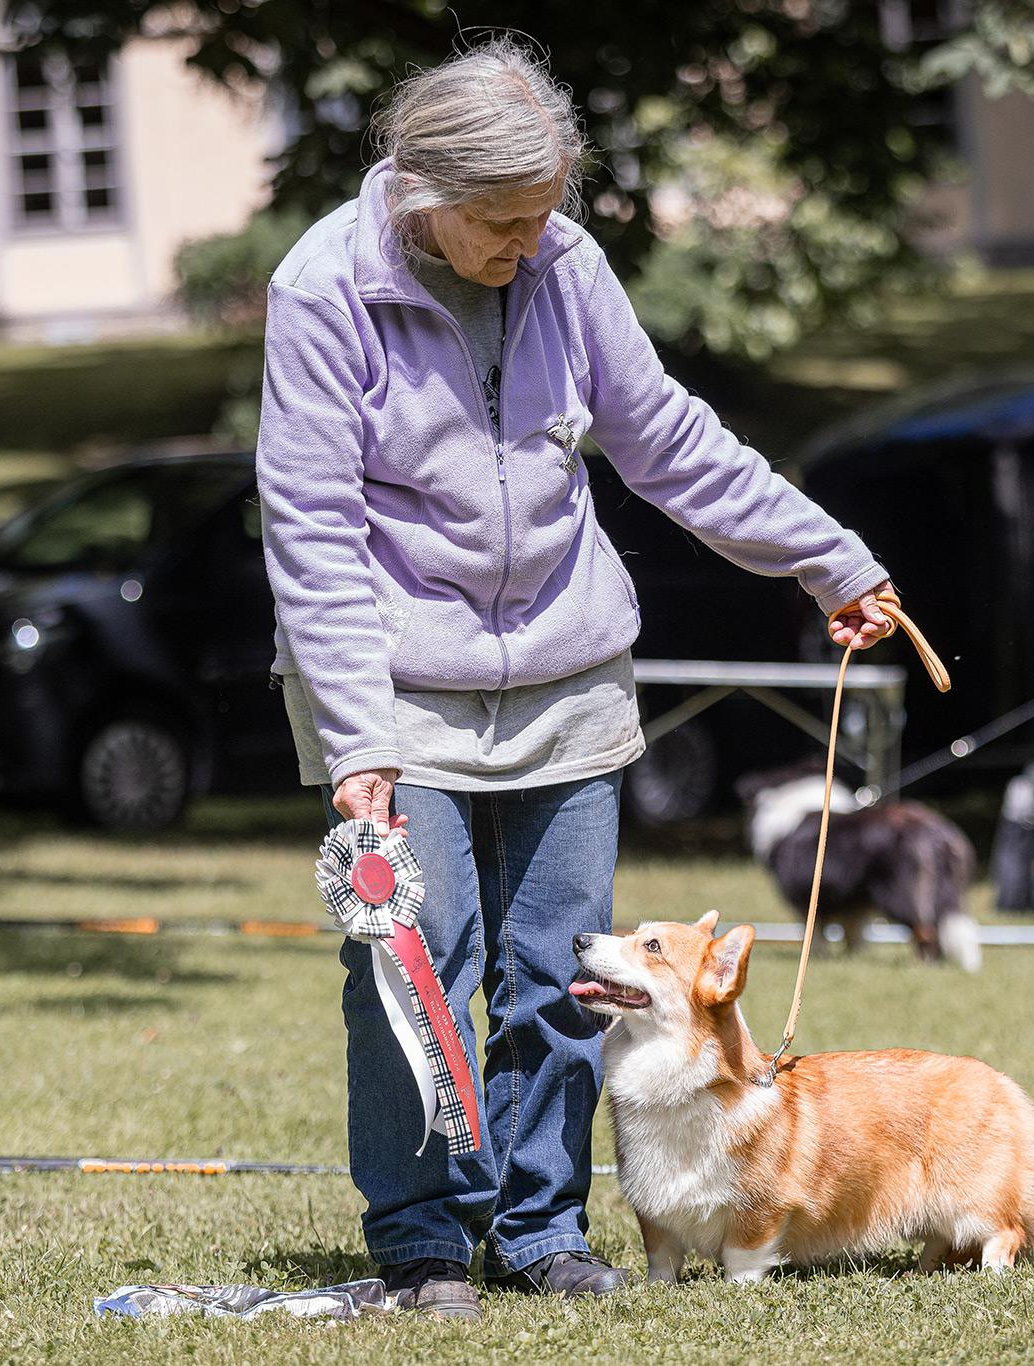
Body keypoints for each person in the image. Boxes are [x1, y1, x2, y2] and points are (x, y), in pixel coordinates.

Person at [254, 40, 896, 1321]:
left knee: (565, 971)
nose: (526, 243)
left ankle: (543, 1225)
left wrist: (825, 560)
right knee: (418, 964)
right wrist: (356, 735)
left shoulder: (561, 262)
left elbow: (662, 436)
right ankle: (426, 1238)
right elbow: (310, 525)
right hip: (396, 684)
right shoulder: (321, 289)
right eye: (503, 221)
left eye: (547, 214)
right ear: (424, 188)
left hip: (568, 664)